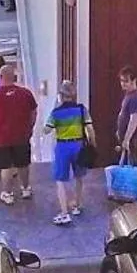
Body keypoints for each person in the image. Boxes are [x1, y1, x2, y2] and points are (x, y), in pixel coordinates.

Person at [0, 63, 38, 205]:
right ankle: (26, 189)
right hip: (21, 135)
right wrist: (30, 126)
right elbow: (33, 112)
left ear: (0, 77)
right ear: (14, 77)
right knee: (23, 164)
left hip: (0, 137)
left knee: (6, 166)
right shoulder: (26, 93)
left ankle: (7, 193)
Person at [46, 80, 94, 226]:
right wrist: (92, 143)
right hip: (79, 144)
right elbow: (90, 129)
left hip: (62, 147)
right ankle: (77, 205)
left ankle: (64, 212)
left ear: (60, 95)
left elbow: (46, 130)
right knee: (79, 176)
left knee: (60, 180)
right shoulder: (81, 109)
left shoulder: (56, 113)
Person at [115, 66, 137, 166]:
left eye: (126, 81)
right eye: (121, 80)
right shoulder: (128, 95)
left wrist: (127, 139)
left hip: (133, 139)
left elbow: (134, 120)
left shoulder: (135, 97)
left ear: (134, 81)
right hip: (127, 138)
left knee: (132, 167)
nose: (123, 83)